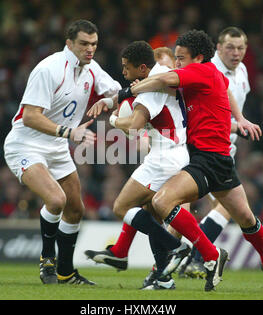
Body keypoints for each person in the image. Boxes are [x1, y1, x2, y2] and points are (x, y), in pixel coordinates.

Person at [124, 29, 263, 290]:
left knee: (162, 202)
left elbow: (165, 80)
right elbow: (225, 89)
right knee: (247, 219)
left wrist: (129, 90)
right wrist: (239, 119)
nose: (178, 61)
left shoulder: (201, 70)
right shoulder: (210, 75)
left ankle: (208, 256)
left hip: (207, 159)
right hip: (218, 159)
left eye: (181, 57)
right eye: (176, 57)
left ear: (199, 57)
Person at [88, 46, 228, 293]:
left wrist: (113, 121)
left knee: (122, 206)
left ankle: (177, 247)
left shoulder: (150, 92)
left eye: (126, 66)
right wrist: (115, 99)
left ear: (142, 68)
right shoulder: (161, 73)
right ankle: (170, 274)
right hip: (173, 151)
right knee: (152, 210)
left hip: (165, 157)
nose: (123, 71)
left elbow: (134, 125)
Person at [3, 19, 121, 285]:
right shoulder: (49, 69)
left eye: (94, 44)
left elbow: (118, 93)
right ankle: (47, 260)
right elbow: (31, 116)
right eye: (83, 44)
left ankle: (66, 273)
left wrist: (109, 100)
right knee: (56, 200)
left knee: (75, 210)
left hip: (56, 146)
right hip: (26, 144)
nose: (90, 49)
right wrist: (69, 133)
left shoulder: (92, 69)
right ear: (69, 43)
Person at [182, 27, 254, 277]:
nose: (236, 53)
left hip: (224, 149)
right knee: (219, 208)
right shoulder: (207, 71)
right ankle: (193, 258)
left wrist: (238, 124)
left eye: (241, 48)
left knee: (189, 209)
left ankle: (178, 261)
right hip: (202, 148)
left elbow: (233, 109)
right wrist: (238, 126)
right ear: (219, 48)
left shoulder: (242, 71)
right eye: (231, 48)